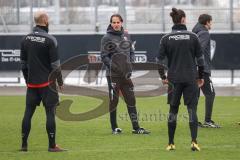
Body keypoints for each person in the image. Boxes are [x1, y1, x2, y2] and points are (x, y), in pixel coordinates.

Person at [157, 8, 205, 151]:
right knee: (192, 110)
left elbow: (159, 61)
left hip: (174, 79)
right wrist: (200, 77)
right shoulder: (193, 37)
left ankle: (171, 143)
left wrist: (163, 77)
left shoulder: (166, 38)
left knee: (173, 111)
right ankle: (194, 142)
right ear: (183, 19)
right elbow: (201, 61)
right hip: (191, 78)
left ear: (173, 20)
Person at [20, 11, 66, 152]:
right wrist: (60, 81)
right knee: (50, 113)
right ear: (45, 20)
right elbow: (56, 65)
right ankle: (52, 146)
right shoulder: (50, 39)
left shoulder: (25, 39)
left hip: (32, 84)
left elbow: (23, 64)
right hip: (47, 84)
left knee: (28, 113)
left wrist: (28, 81)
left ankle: (24, 145)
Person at [100, 14, 150, 134]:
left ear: (121, 22)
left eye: (118, 22)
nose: (116, 24)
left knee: (131, 99)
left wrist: (130, 64)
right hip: (113, 75)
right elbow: (104, 57)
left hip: (126, 75)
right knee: (114, 101)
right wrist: (116, 68)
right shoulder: (106, 38)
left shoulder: (126, 35)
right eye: (113, 22)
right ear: (111, 23)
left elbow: (131, 52)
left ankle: (136, 128)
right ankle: (114, 128)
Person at [192, 14, 220, 128]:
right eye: (211, 22)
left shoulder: (194, 32)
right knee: (210, 94)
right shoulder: (204, 33)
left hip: (193, 69)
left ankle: (194, 121)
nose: (211, 24)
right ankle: (208, 121)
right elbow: (199, 51)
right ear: (207, 22)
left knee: (195, 96)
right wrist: (201, 69)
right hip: (202, 70)